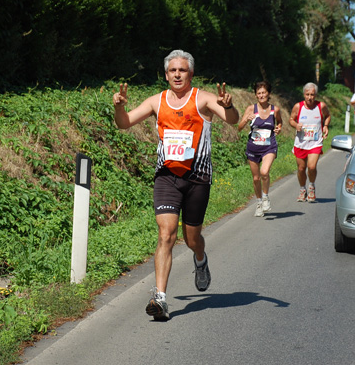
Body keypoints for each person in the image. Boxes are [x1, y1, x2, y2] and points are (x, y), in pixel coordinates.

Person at [112, 49, 239, 321]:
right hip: (167, 177)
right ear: (166, 74)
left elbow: (232, 120)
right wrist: (119, 106)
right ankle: (160, 298)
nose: (177, 74)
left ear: (190, 74)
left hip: (198, 179)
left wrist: (228, 106)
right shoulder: (157, 101)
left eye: (182, 70)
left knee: (192, 238)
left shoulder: (203, 98)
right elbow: (124, 124)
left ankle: (201, 258)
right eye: (172, 70)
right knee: (166, 234)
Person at [237, 81, 283, 217]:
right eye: (259, 93)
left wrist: (279, 128)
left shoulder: (275, 110)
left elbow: (279, 122)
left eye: (264, 92)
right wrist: (246, 120)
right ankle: (258, 203)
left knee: (264, 172)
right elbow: (239, 128)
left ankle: (265, 197)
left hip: (269, 146)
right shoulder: (251, 109)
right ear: (256, 95)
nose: (261, 95)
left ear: (268, 94)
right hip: (253, 147)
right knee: (256, 178)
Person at [289, 82, 331, 203]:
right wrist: (296, 125)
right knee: (301, 168)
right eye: (307, 94)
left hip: (315, 142)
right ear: (304, 94)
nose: (310, 97)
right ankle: (303, 189)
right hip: (301, 142)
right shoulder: (298, 106)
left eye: (312, 95)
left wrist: (326, 126)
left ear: (316, 95)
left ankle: (311, 186)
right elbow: (291, 119)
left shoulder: (321, 106)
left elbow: (327, 116)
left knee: (311, 167)